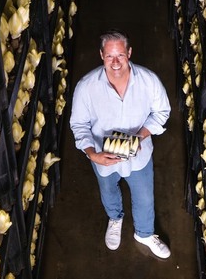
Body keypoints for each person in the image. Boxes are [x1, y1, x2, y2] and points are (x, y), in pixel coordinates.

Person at [69, 29, 172, 259]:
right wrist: (92, 154)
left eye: (120, 55)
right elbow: (78, 124)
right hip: (103, 155)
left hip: (139, 155)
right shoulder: (86, 87)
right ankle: (115, 218)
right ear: (101, 55)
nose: (115, 62)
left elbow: (162, 112)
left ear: (129, 53)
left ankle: (144, 233)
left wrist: (141, 136)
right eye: (109, 56)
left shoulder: (148, 81)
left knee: (145, 196)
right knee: (108, 191)